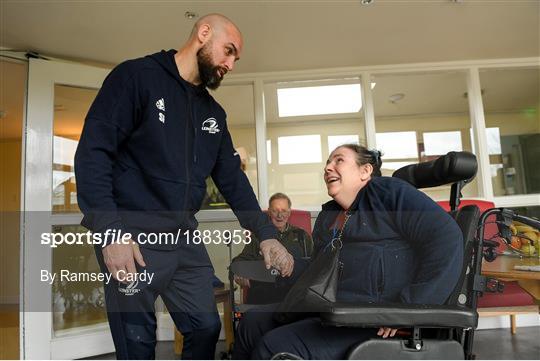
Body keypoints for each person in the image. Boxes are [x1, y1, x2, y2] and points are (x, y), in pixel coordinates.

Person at [74, 13, 294, 360]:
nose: (231, 64)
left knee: (206, 327)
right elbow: (93, 155)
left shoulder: (213, 115)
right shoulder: (136, 77)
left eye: (235, 58)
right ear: (203, 33)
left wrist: (265, 233)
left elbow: (233, 180)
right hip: (132, 235)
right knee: (137, 343)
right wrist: (110, 231)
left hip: (183, 239)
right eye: (228, 51)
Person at [233, 144, 464, 360]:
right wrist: (288, 264)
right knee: (251, 323)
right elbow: (320, 274)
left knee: (275, 345)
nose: (327, 167)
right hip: (332, 308)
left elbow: (447, 237)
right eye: (327, 162)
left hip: (372, 318)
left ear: (365, 171)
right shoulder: (329, 216)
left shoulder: (385, 192)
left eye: (339, 160)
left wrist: (408, 309)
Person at [233, 193, 313, 304]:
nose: (280, 215)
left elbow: (314, 262)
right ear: (269, 212)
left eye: (284, 211)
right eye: (275, 211)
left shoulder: (302, 235)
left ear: (289, 212)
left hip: (294, 295)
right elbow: (241, 260)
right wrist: (240, 271)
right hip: (265, 293)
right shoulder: (258, 237)